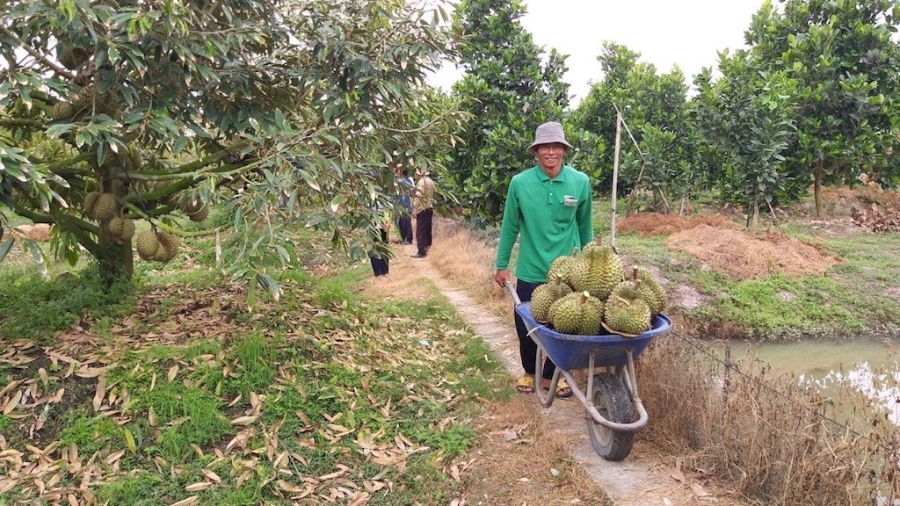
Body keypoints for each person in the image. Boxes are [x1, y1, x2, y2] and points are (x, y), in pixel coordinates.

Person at [493, 121, 594, 398]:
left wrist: (591, 267)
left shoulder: (580, 182)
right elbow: (510, 226)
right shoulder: (520, 183)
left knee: (565, 327)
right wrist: (502, 265)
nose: (551, 152)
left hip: (569, 271)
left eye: (556, 146)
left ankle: (552, 374)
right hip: (531, 268)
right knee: (527, 326)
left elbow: (585, 228)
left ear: (563, 149)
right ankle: (529, 371)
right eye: (545, 147)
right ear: (536, 152)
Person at [411, 167, 437, 258]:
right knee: (427, 230)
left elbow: (418, 196)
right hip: (429, 208)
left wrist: (415, 208)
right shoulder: (430, 181)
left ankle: (421, 251)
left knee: (421, 231)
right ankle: (427, 249)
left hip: (422, 209)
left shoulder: (421, 182)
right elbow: (435, 191)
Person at [393, 164, 414, 244]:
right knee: (401, 222)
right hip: (401, 204)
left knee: (406, 221)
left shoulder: (403, 181)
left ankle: (408, 239)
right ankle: (403, 238)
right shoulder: (408, 180)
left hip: (405, 203)